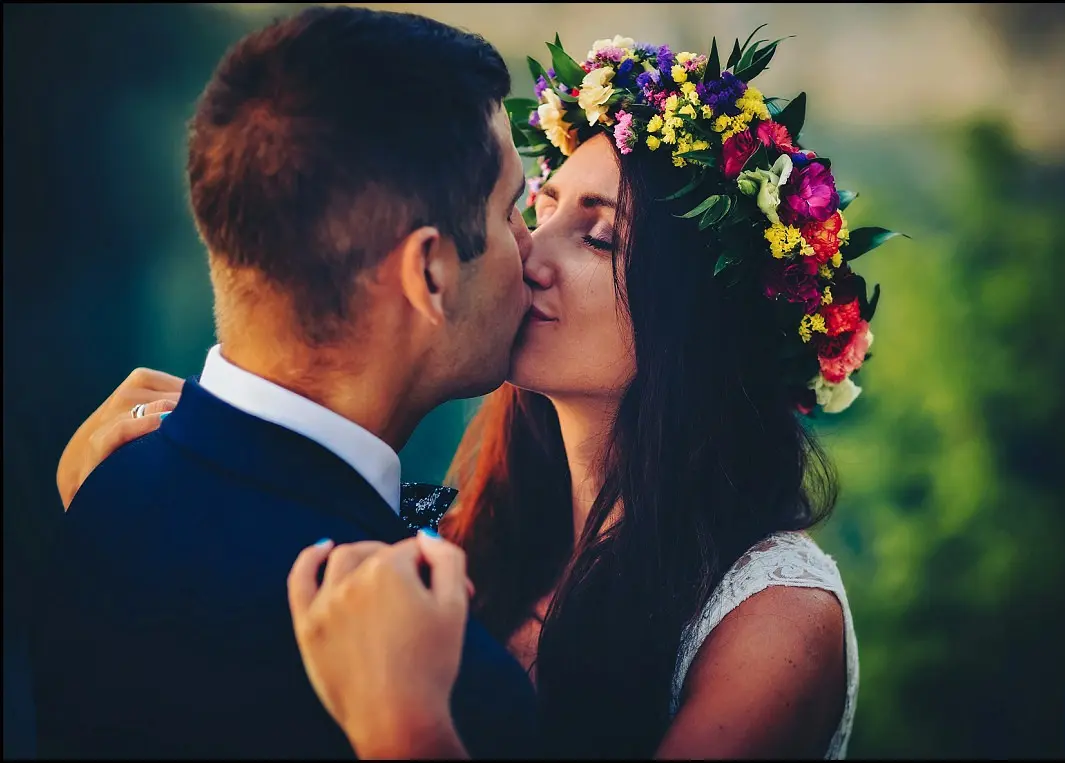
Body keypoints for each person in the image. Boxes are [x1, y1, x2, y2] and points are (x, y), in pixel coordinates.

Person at [59, 28, 904, 760]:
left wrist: (405, 727)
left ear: (696, 319)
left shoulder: (772, 613)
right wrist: (153, 494)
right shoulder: (467, 532)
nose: (529, 253)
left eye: (597, 236)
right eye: (535, 208)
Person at [29, 6, 539, 759]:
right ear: (430, 273)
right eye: (512, 210)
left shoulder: (95, 497)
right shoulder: (449, 694)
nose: (531, 245)